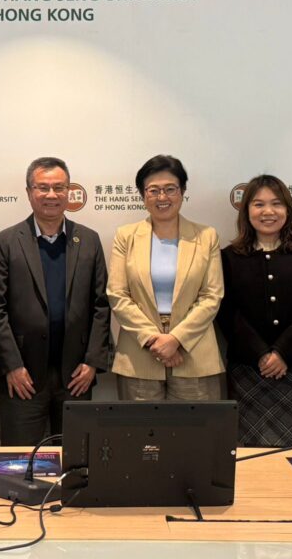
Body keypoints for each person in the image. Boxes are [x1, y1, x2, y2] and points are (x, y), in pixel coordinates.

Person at [0, 157, 111, 445]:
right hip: (23, 376)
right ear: (29, 192)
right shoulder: (5, 242)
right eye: (43, 187)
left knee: (77, 458)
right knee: (19, 460)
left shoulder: (89, 241)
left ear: (69, 191)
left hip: (76, 375)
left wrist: (92, 363)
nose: (51, 195)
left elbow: (101, 306)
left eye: (59, 187)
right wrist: (12, 366)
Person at [220, 174, 292, 447]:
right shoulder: (229, 257)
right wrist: (261, 353)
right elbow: (227, 312)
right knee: (250, 455)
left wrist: (282, 352)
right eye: (258, 204)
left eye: (276, 204)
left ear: (288, 210)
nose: (268, 211)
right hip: (248, 370)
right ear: (246, 211)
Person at [107, 154, 225, 400]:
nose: (162, 197)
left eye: (170, 189)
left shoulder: (206, 236)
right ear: (143, 195)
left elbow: (211, 296)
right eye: (154, 190)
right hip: (139, 354)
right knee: (140, 426)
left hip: (194, 353)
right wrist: (154, 340)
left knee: (195, 425)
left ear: (182, 192)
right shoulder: (125, 236)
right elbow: (117, 294)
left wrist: (176, 339)